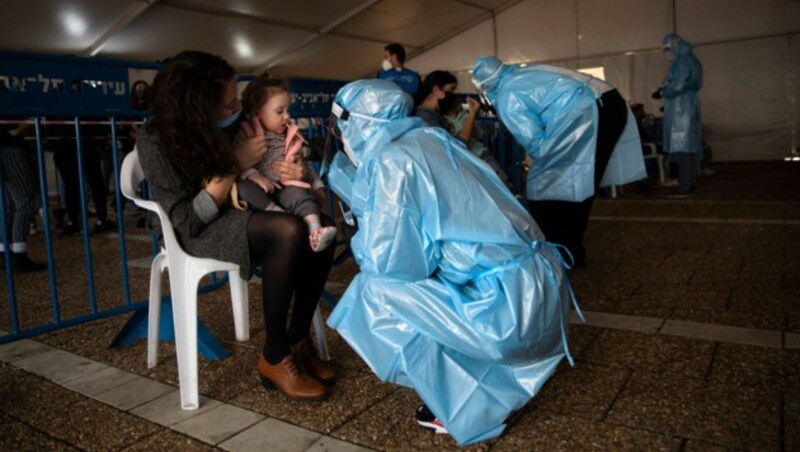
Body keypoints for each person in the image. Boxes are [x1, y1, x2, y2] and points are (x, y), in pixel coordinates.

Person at [324, 79, 577, 445]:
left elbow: (393, 262)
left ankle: (470, 401)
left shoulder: (393, 162)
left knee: (374, 291)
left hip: (506, 312)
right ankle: (502, 376)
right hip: (540, 289)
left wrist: (360, 221)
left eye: (344, 127)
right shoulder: (430, 139)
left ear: (357, 123)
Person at [136, 51, 336, 401]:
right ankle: (275, 356)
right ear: (198, 106)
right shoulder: (155, 141)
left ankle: (296, 339)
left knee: (321, 229)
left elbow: (269, 166)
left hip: (240, 210)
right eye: (228, 105)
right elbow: (188, 221)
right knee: (287, 231)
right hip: (198, 229)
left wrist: (298, 173)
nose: (236, 110)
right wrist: (233, 163)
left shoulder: (226, 125)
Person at [471, 55, 646, 267]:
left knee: (545, 182)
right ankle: (571, 250)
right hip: (607, 102)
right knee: (579, 181)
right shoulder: (523, 73)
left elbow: (536, 144)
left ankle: (556, 253)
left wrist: (534, 161)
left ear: (484, 86)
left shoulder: (508, 96)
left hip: (584, 112)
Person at [237, 75, 337, 252]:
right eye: (279, 111)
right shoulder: (246, 133)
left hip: (285, 187)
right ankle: (278, 214)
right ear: (257, 113)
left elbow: (302, 165)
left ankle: (315, 230)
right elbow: (238, 164)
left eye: (287, 110)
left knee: (301, 195)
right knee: (243, 188)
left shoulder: (289, 135)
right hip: (260, 192)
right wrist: (254, 175)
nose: (287, 116)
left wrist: (317, 184)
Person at [652, 33, 703, 198]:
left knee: (682, 148)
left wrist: (663, 92)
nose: (666, 53)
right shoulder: (693, 60)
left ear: (674, 46)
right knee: (688, 149)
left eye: (667, 49)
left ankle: (684, 187)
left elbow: (677, 84)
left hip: (680, 109)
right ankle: (688, 183)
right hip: (689, 106)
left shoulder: (680, 62)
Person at [0, 119, 45, 272]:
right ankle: (19, 254)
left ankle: (4, 252)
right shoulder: (9, 95)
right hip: (10, 147)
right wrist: (21, 127)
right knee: (25, 204)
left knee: (7, 205)